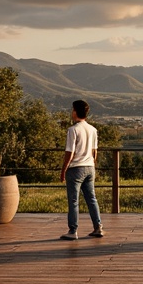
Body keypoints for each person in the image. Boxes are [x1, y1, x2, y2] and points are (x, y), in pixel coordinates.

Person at [59, 100, 102, 240]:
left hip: (76, 169)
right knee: (91, 198)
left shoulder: (73, 130)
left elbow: (69, 153)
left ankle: (73, 231)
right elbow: (94, 152)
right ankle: (98, 227)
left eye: (72, 110)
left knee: (73, 201)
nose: (71, 112)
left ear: (76, 112)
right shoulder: (93, 129)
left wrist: (63, 170)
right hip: (90, 167)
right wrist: (92, 165)